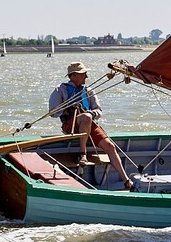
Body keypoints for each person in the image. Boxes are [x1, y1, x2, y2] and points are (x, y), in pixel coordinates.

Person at [49, 62, 133, 190]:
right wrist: (68, 109)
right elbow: (53, 112)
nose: (87, 76)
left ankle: (126, 180)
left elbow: (98, 111)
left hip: (89, 122)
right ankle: (83, 153)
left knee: (110, 146)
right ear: (74, 75)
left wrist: (92, 113)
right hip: (70, 125)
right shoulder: (60, 90)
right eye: (84, 74)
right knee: (86, 118)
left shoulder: (88, 91)